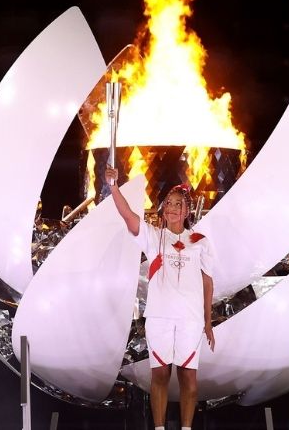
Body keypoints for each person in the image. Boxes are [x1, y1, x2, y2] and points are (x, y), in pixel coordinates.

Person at [105, 165, 215, 430]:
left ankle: (187, 428)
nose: (171, 208)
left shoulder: (200, 240)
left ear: (187, 211)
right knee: (161, 374)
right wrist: (113, 186)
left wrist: (208, 322)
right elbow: (129, 216)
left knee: (189, 377)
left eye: (178, 204)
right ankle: (159, 427)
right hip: (159, 317)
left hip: (190, 319)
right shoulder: (154, 237)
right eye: (168, 203)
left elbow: (207, 280)